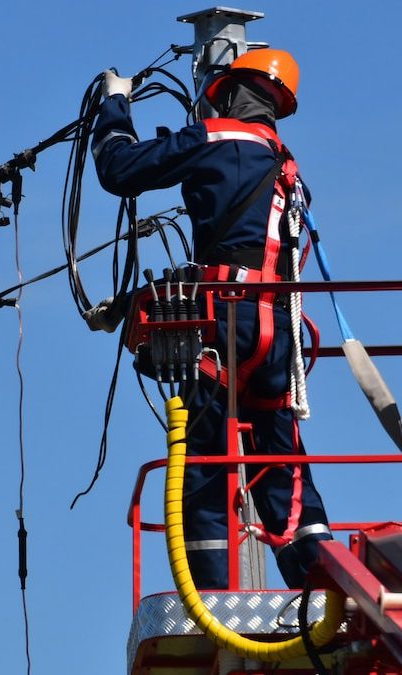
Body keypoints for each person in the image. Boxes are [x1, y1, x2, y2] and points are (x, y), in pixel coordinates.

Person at [91, 49, 332, 589]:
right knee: (283, 464)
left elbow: (119, 169)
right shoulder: (288, 169)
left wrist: (114, 105)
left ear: (223, 93)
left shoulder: (215, 139)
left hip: (224, 325)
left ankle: (215, 596)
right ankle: (320, 580)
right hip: (276, 336)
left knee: (205, 465)